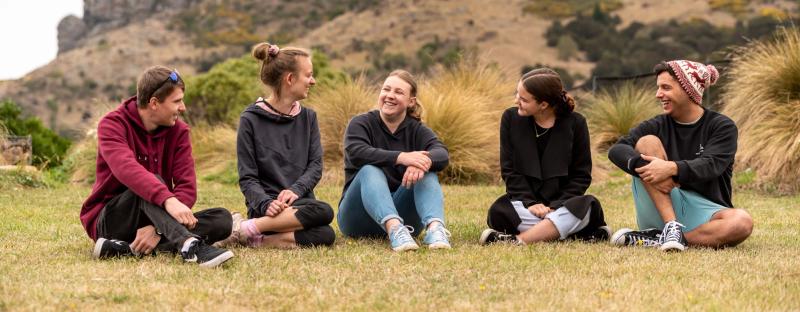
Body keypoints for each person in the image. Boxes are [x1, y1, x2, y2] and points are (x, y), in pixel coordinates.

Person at [79, 66, 234, 268]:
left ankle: (125, 250)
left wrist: (157, 228)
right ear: (154, 103)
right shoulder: (112, 124)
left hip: (158, 218)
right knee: (150, 181)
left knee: (222, 220)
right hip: (112, 220)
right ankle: (189, 245)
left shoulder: (179, 132)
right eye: (177, 101)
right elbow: (126, 169)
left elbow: (187, 187)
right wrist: (167, 199)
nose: (183, 107)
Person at [608, 60, 753, 251]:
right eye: (658, 87)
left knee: (742, 222)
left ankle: (657, 239)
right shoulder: (656, 125)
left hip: (705, 213)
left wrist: (670, 168)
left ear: (688, 90)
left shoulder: (721, 126)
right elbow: (616, 150)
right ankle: (671, 227)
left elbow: (711, 165)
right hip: (662, 202)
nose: (658, 94)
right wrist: (645, 166)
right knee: (646, 142)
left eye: (666, 88)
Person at [216, 43, 335, 249]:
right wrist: (266, 204)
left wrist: (295, 190)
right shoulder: (250, 119)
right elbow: (248, 178)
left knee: (326, 233)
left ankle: (252, 235)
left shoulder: (308, 117)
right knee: (324, 212)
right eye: (308, 75)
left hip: (299, 206)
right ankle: (255, 226)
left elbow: (315, 166)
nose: (312, 81)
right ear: (290, 79)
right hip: (266, 208)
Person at [479, 68, 611, 246]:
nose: (516, 100)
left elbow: (581, 176)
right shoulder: (510, 118)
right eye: (517, 94)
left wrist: (556, 207)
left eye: (524, 99)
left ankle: (518, 241)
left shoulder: (576, 123)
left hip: (563, 205)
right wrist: (530, 203)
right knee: (499, 210)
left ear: (543, 104)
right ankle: (573, 231)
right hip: (526, 207)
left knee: (587, 205)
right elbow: (509, 170)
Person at [337, 69, 451, 251]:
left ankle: (435, 229)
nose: (390, 96)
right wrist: (402, 157)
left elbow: (442, 154)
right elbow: (357, 152)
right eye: (386, 89)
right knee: (370, 170)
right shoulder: (361, 123)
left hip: (407, 221)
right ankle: (394, 229)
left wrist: (422, 163)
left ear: (410, 101)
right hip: (357, 220)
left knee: (426, 171)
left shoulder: (417, 130)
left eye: (398, 92)